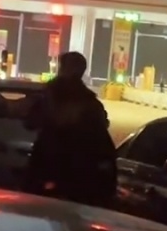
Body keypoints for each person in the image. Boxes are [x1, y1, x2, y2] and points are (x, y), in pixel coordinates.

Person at [24, 51, 117, 207]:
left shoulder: (47, 95)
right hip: (79, 172)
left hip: (48, 164)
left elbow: (30, 122)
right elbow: (101, 136)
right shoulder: (90, 102)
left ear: (63, 69)